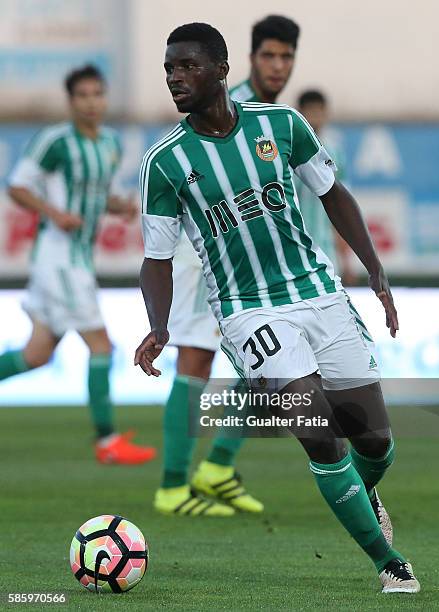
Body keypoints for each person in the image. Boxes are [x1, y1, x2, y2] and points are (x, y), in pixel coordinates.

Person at [135, 22, 420, 593]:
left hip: (317, 293)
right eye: (169, 69)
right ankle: (390, 564)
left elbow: (333, 194)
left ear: (219, 70)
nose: (175, 78)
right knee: (318, 430)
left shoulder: (284, 126)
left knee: (375, 442)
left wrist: (375, 268)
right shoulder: (165, 163)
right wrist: (159, 325)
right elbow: (156, 258)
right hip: (247, 311)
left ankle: (363, 492)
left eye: (187, 66)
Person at [158, 15, 300, 517]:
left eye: (286, 57)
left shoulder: (271, 117)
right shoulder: (219, 102)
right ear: (247, 58)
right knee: (195, 358)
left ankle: (217, 466)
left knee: (268, 364)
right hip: (204, 258)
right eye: (269, 55)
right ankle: (173, 486)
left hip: (253, 262)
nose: (278, 66)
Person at [1, 64, 156, 465]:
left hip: (77, 258)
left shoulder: (109, 144)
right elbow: (17, 186)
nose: (92, 102)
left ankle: (108, 441)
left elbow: (95, 193)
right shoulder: (55, 141)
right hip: (60, 259)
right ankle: (107, 442)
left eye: (97, 94)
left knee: (37, 355)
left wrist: (118, 206)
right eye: (83, 95)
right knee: (102, 346)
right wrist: (54, 213)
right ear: (71, 101)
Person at [296, 89, 357, 284]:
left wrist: (346, 260)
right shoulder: (288, 150)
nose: (314, 117)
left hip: (327, 250)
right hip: (296, 248)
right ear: (300, 113)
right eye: (309, 111)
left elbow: (340, 207)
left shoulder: (334, 152)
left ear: (326, 113)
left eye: (318, 111)